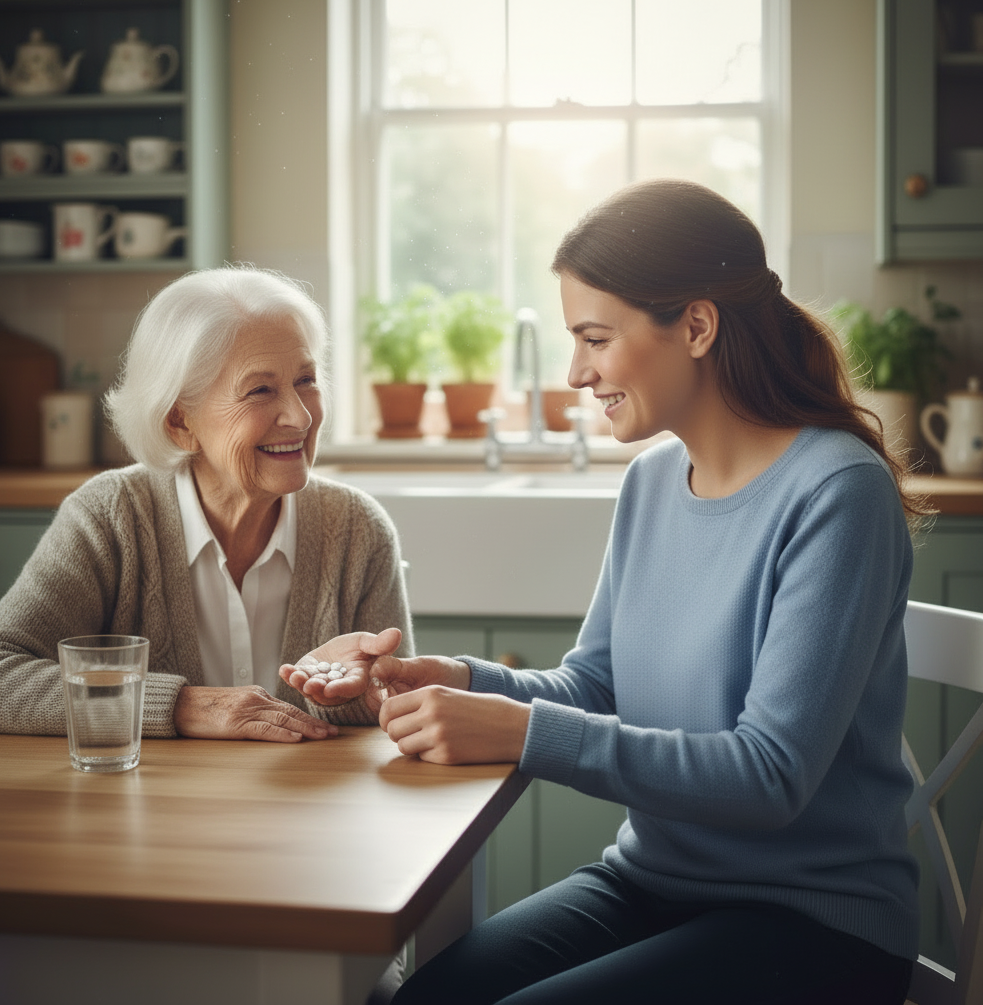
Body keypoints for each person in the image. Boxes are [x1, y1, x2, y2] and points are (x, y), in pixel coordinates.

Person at [289, 180, 925, 1004]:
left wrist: (520, 733)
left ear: (696, 326)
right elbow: (593, 686)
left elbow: (770, 776)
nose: (576, 372)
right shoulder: (655, 479)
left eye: (595, 338)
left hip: (815, 923)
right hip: (655, 882)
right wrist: (454, 679)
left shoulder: (838, 491)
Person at [0, 265, 412, 742]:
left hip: (312, 810)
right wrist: (182, 706)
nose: (299, 415)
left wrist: (361, 696)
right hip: (151, 811)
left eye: (306, 379)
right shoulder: (111, 517)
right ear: (180, 421)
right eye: (260, 390)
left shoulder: (358, 528)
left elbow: (395, 708)